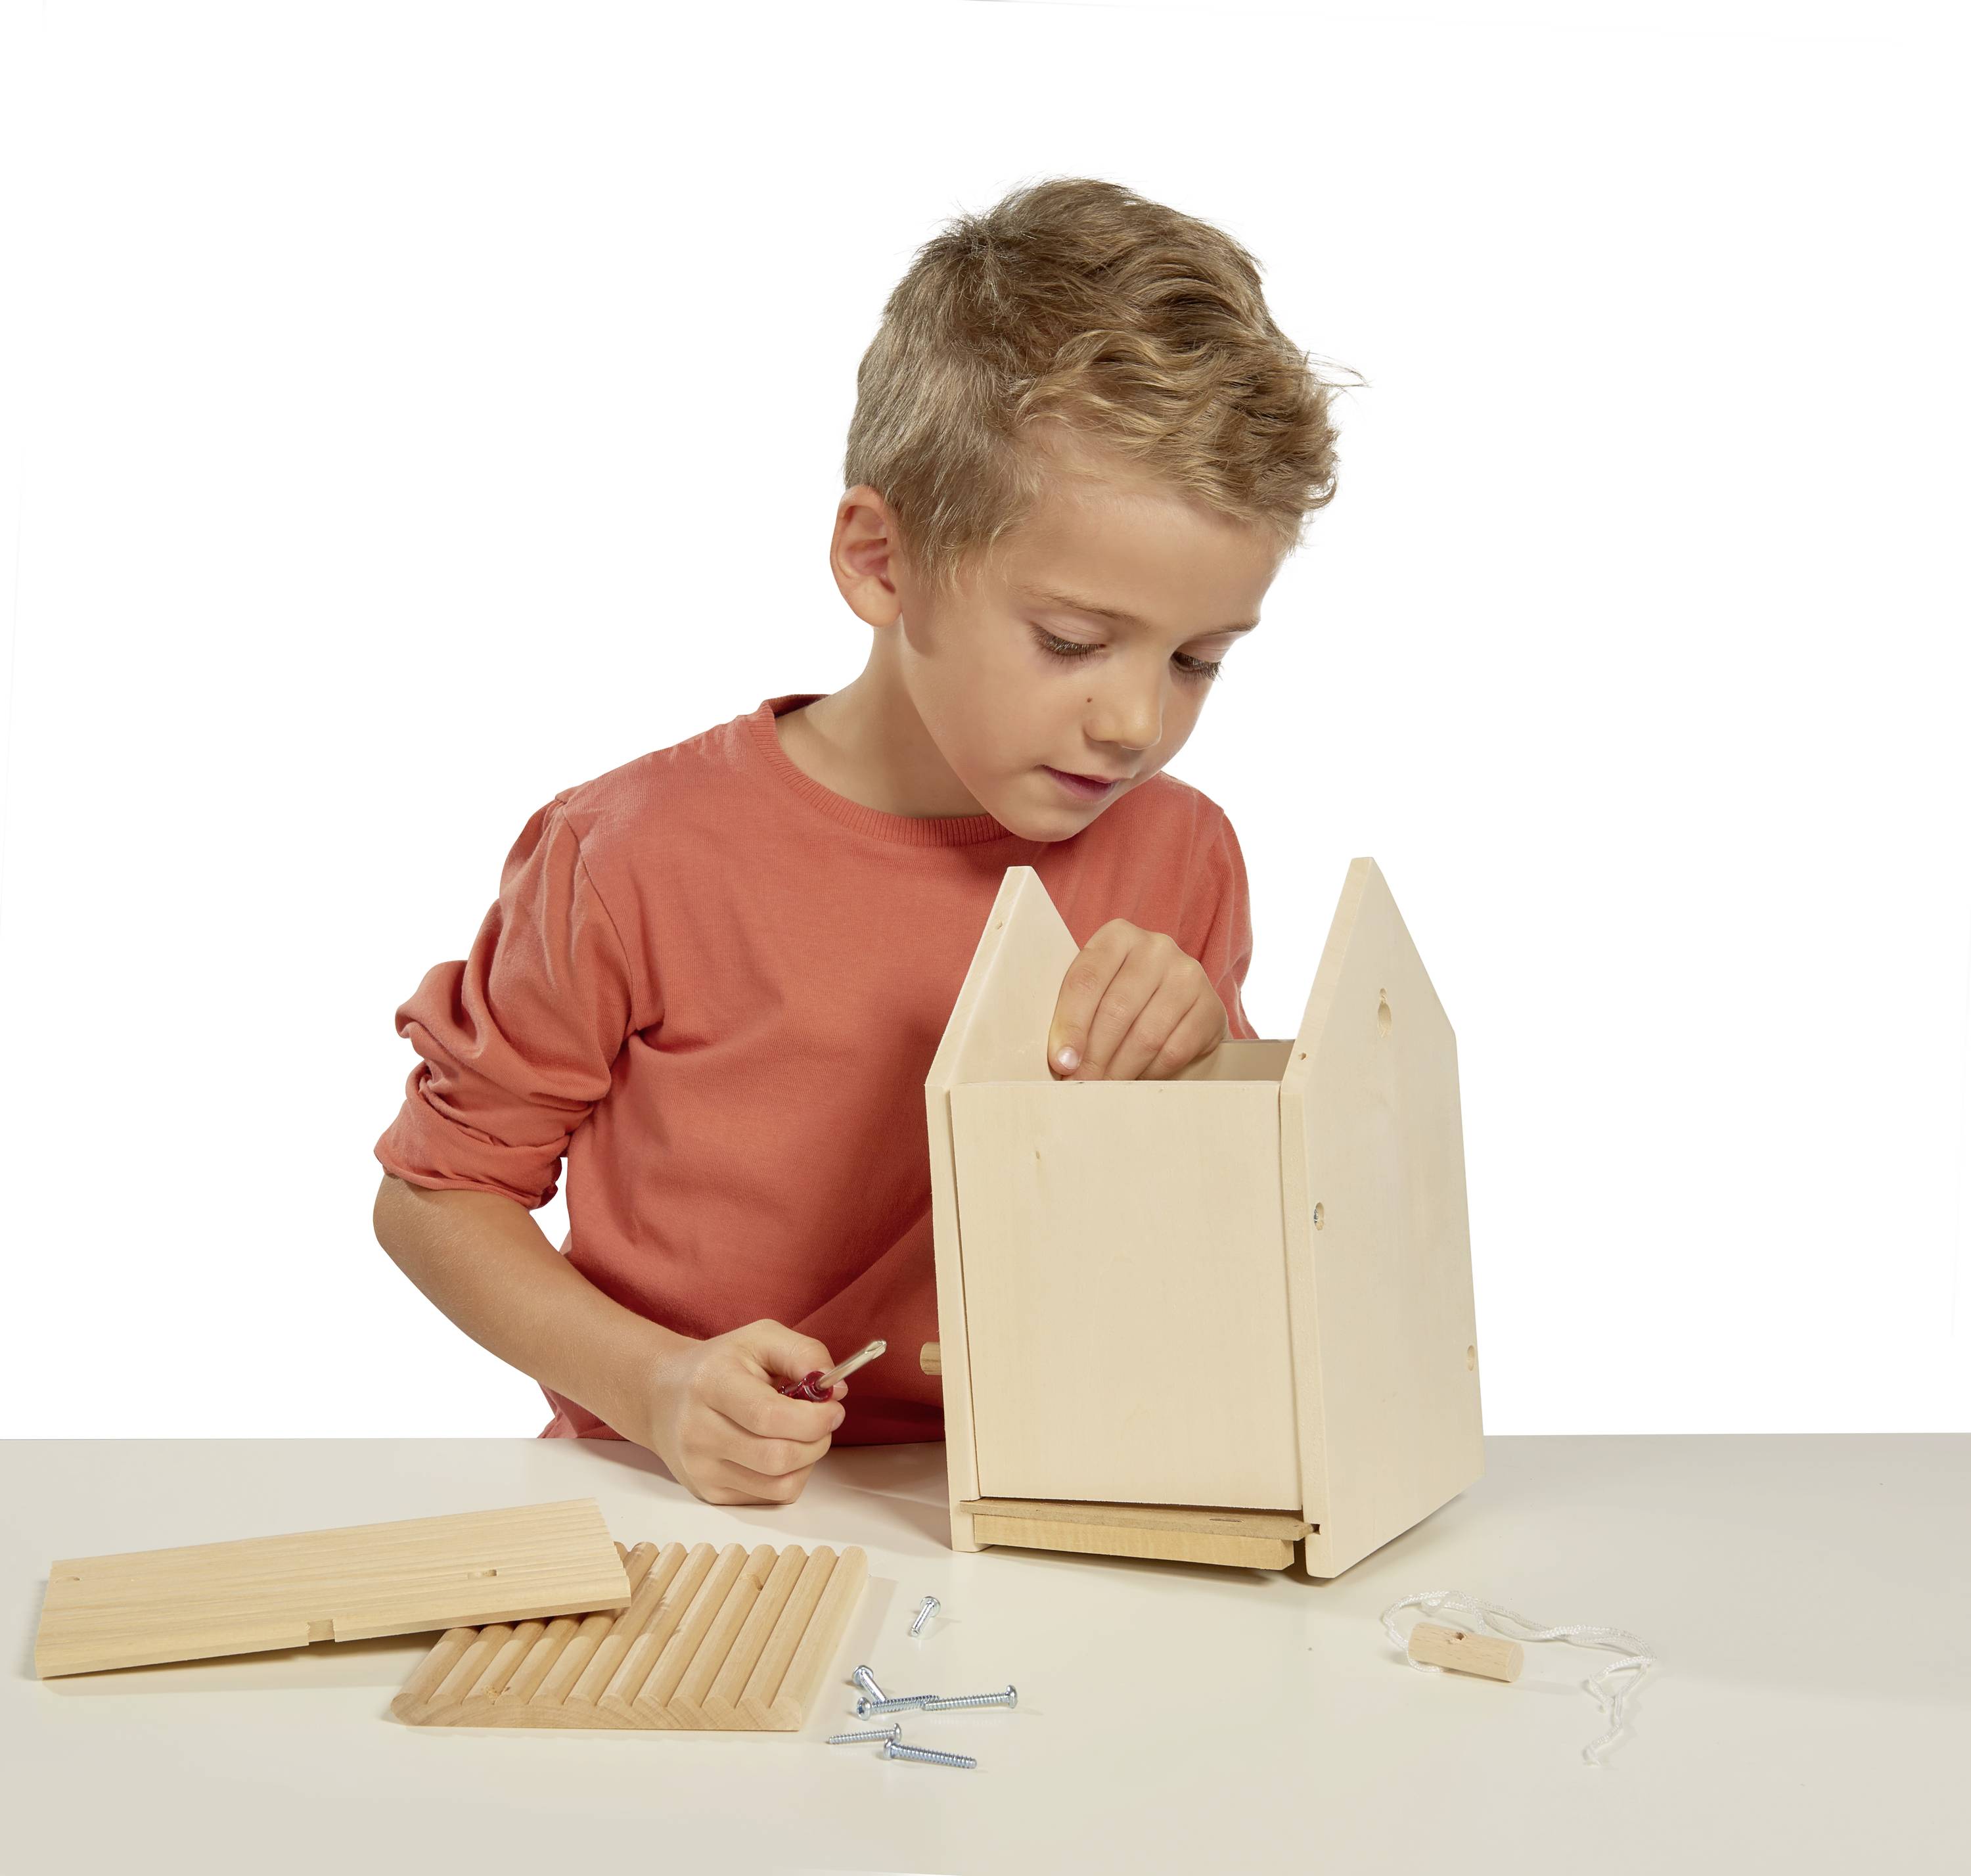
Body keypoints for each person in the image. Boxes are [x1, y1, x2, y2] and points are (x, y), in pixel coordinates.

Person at [371, 175, 1350, 1507]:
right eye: (1071, 641)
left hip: (1051, 1503)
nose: (1134, 720)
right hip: (680, 1502)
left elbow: (1206, 1249)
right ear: (882, 563)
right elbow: (435, 1200)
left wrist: (1208, 1071)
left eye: (1198, 660)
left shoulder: (1182, 855)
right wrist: (655, 1387)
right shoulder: (635, 856)